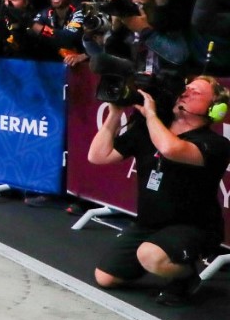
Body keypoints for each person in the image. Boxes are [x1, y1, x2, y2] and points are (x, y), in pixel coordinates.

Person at [87, 76, 230, 306]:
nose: (187, 92)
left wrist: (151, 114)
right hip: (148, 225)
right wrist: (114, 114)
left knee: (150, 255)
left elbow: (170, 148)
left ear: (214, 109)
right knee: (105, 277)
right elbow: (98, 156)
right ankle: (163, 262)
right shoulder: (148, 130)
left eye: (197, 93)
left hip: (194, 227)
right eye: (187, 88)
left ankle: (186, 276)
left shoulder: (215, 144)